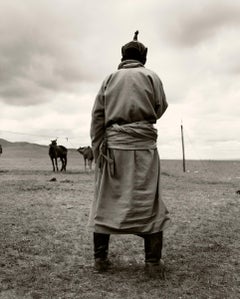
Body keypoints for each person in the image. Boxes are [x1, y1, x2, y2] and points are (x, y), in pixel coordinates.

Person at [89, 31, 170, 277]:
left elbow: (97, 117)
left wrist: (98, 150)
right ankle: (153, 264)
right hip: (144, 150)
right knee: (149, 203)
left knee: (105, 201)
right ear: (143, 57)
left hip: (113, 151)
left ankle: (100, 260)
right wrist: (139, 124)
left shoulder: (109, 79)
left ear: (122, 56)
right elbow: (160, 107)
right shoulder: (152, 77)